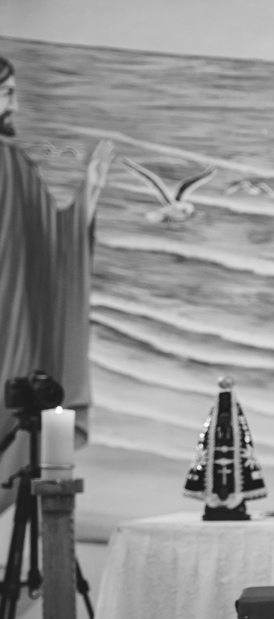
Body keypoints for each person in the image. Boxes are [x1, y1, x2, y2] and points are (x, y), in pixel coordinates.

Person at [0, 54, 113, 517]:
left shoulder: (13, 162)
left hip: (12, 325)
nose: (14, 104)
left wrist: (89, 193)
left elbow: (54, 246)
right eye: (5, 92)